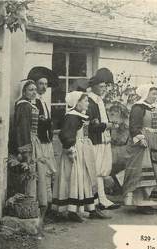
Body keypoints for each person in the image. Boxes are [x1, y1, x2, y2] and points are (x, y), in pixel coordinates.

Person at [52, 91, 110, 222]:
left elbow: (86, 130)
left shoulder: (80, 116)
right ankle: (72, 211)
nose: (88, 103)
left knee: (88, 178)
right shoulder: (71, 117)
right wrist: (70, 149)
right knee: (76, 178)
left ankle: (91, 208)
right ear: (77, 102)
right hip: (75, 150)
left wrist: (99, 125)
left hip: (84, 149)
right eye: (85, 101)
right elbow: (65, 134)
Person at [10, 80, 52, 229]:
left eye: (35, 90)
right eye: (30, 90)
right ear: (24, 91)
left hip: (36, 142)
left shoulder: (29, 105)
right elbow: (22, 129)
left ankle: (39, 215)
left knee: (39, 175)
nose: (34, 92)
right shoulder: (23, 105)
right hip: (30, 143)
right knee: (32, 176)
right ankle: (31, 213)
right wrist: (25, 151)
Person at [122, 84, 157, 215]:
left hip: (155, 142)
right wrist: (141, 138)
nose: (156, 96)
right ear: (145, 94)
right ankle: (140, 203)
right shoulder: (138, 108)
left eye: (156, 93)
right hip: (144, 143)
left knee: (155, 171)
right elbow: (134, 126)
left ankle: (150, 202)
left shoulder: (154, 108)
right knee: (143, 172)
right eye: (153, 93)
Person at [86, 68, 120, 210]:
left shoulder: (99, 101)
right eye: (101, 86)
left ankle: (102, 198)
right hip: (95, 140)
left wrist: (108, 125)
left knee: (102, 170)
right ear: (93, 87)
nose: (103, 89)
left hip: (103, 139)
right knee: (96, 170)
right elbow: (91, 125)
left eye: (105, 86)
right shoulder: (90, 102)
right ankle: (96, 200)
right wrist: (107, 125)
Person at [27, 68, 58, 214]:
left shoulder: (43, 102)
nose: (44, 87)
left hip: (47, 142)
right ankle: (42, 205)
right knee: (42, 173)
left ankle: (48, 204)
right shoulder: (34, 103)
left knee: (49, 173)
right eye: (40, 84)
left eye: (45, 84)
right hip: (39, 143)